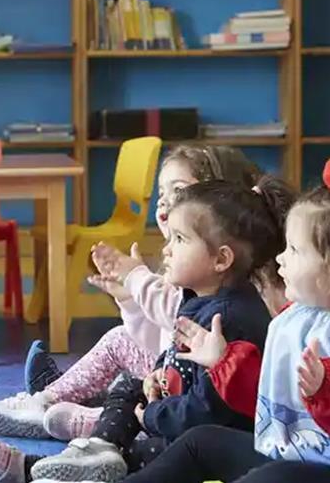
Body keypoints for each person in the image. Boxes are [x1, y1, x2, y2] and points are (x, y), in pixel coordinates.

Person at [115, 156, 330, 483]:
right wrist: (224, 361)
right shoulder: (301, 316)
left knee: (272, 479)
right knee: (199, 442)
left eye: (293, 250)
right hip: (307, 457)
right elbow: (274, 399)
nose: (280, 259)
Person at [0, 177, 292, 483]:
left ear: (221, 259)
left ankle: (28, 469)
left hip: (196, 431)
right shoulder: (199, 297)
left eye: (179, 240)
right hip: (172, 412)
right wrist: (155, 376)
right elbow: (173, 355)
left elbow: (207, 410)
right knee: (128, 386)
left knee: (145, 455)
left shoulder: (228, 318)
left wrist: (153, 415)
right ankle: (97, 449)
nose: (166, 249)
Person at [23, 145, 261, 394]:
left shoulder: (205, 271)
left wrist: (136, 278)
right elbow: (154, 337)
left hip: (188, 386)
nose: (165, 201)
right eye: (161, 192)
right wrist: (129, 299)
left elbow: (178, 316)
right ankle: (55, 395)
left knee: (122, 376)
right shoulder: (181, 261)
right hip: (169, 372)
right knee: (122, 345)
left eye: (178, 190)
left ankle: (51, 399)